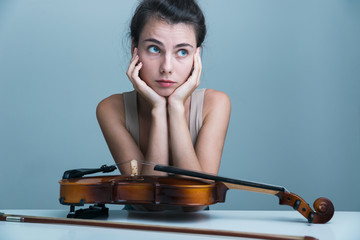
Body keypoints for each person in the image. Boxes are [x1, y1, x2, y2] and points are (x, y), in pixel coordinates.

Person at [96, 0, 231, 178]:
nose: (167, 67)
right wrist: (158, 110)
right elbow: (148, 199)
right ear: (134, 49)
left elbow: (193, 201)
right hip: (137, 207)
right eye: (154, 49)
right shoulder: (111, 109)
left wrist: (176, 108)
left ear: (196, 56)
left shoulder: (215, 104)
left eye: (182, 52)